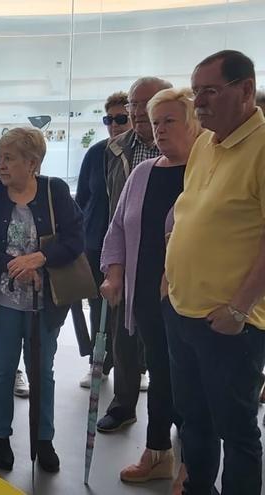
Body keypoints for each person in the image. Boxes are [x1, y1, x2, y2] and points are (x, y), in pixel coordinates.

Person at [164, 49, 265, 495]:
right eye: (195, 91)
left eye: (210, 90)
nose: (199, 102)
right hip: (182, 310)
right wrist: (169, 283)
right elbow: (189, 216)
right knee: (192, 420)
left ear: (245, 90)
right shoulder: (205, 141)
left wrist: (239, 309)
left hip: (230, 324)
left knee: (236, 430)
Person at [0, 127, 83, 473]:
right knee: (1, 370)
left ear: (32, 163)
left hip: (45, 302)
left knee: (41, 372)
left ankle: (43, 439)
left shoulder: (54, 190)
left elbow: (76, 239)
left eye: (8, 158)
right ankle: (1, 436)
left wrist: (40, 259)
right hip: (0, 300)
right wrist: (15, 265)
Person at [100, 87, 199, 489]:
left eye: (169, 121)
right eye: (155, 123)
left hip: (191, 296)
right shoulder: (143, 173)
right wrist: (115, 273)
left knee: (189, 378)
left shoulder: (205, 172)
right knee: (160, 372)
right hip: (146, 293)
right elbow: (119, 227)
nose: (159, 130)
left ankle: (193, 462)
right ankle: (157, 452)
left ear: (194, 124)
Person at [98, 76, 174, 434]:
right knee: (124, 338)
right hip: (130, 261)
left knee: (169, 351)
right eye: (133, 104)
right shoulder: (114, 150)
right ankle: (123, 405)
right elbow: (104, 208)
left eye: (148, 104)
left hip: (176, 267)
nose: (139, 112)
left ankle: (174, 418)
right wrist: (109, 265)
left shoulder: (195, 152)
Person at [75, 91, 131, 388]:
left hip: (133, 247)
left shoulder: (143, 155)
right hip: (96, 243)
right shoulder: (96, 153)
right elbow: (84, 197)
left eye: (121, 119)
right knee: (98, 306)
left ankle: (136, 368)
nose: (114, 125)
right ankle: (99, 363)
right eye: (109, 119)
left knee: (130, 310)